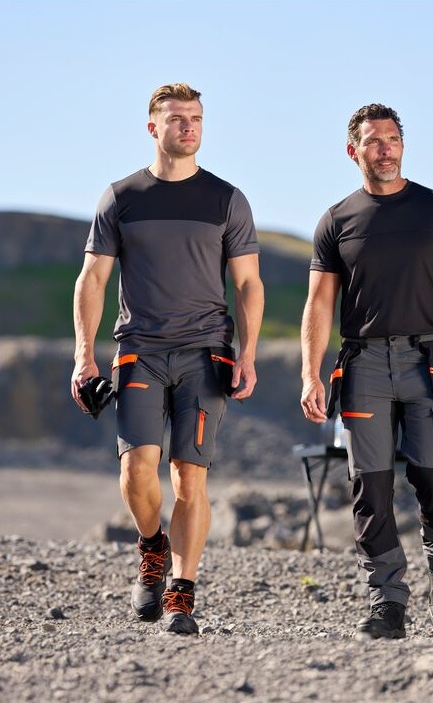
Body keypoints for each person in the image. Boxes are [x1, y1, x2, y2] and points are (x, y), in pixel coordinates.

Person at [70, 83, 264, 635]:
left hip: (206, 356)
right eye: (177, 119)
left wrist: (247, 354)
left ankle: (181, 589)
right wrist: (84, 356)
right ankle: (151, 544)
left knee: (189, 476)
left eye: (196, 118)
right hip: (139, 352)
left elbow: (249, 284)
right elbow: (93, 279)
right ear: (152, 128)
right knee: (136, 471)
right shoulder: (121, 197)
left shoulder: (227, 199)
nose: (188, 127)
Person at [300, 103, 433, 640]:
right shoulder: (337, 220)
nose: (385, 147)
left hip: (429, 363)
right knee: (371, 487)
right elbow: (318, 305)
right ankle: (386, 601)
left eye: (393, 138)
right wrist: (310, 374)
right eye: (373, 140)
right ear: (353, 151)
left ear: (402, 145)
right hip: (362, 364)